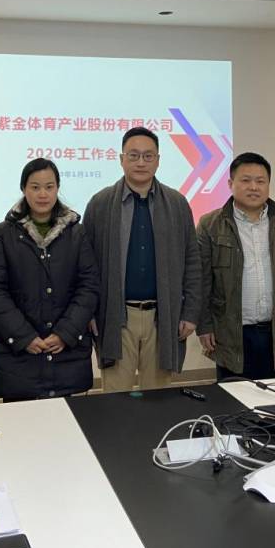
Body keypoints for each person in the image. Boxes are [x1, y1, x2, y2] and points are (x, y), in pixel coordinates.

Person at [83, 126, 201, 391]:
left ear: (158, 160)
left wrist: (191, 313)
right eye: (133, 155)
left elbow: (192, 262)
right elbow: (86, 267)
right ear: (121, 159)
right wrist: (89, 311)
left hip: (163, 316)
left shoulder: (177, 204)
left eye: (148, 156)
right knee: (115, 400)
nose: (140, 162)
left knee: (158, 400)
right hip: (116, 316)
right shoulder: (100, 204)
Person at [0, 159, 99, 401]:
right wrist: (24, 337)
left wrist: (65, 333)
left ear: (57, 188)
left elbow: (88, 287)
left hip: (66, 353)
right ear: (23, 189)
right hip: (18, 355)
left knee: (66, 422)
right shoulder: (2, 234)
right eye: (35, 187)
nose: (42, 194)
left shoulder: (77, 233)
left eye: (49, 186)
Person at [197, 152, 275, 380]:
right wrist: (204, 326)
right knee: (233, 395)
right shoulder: (211, 224)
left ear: (268, 185)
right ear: (231, 184)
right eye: (246, 180)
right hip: (231, 332)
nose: (254, 187)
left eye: (260, 181)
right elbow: (202, 281)